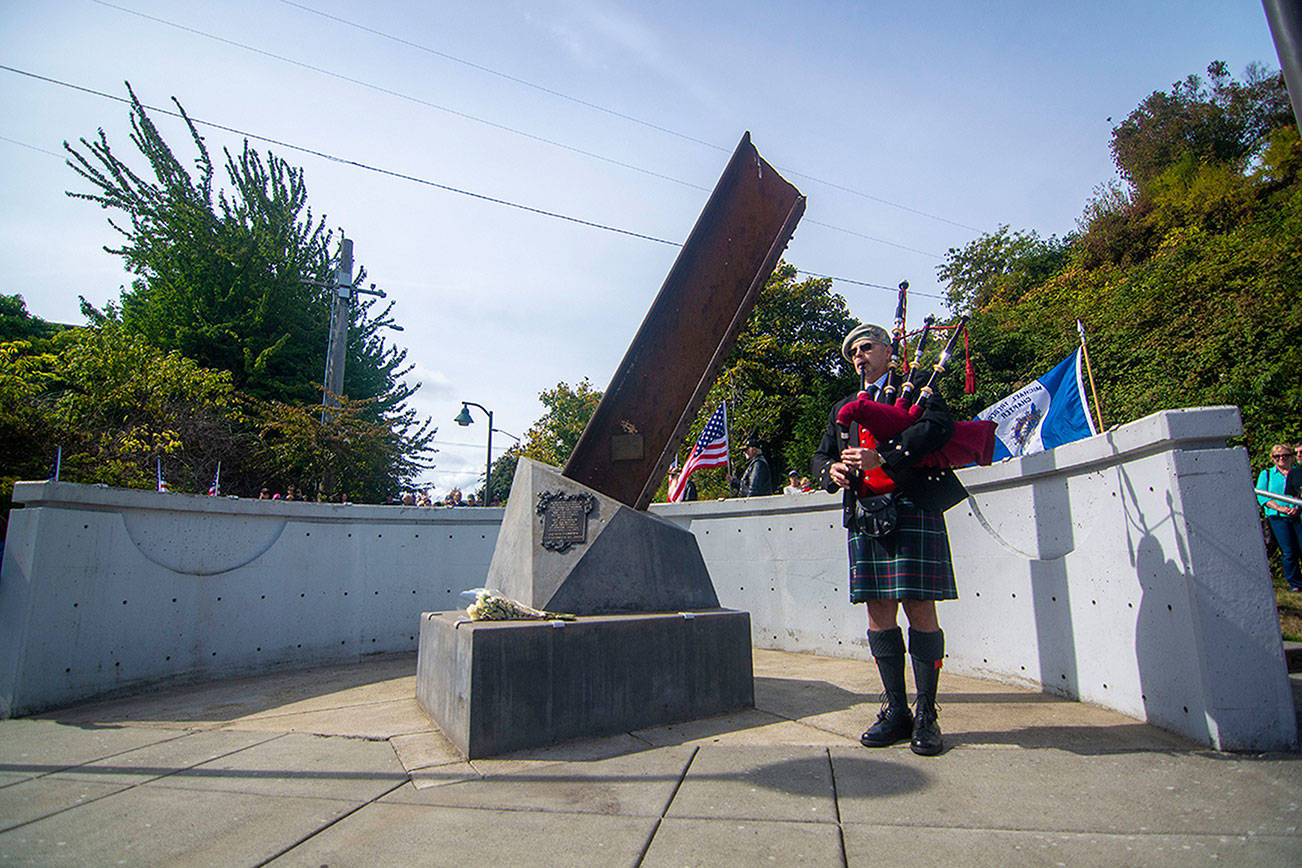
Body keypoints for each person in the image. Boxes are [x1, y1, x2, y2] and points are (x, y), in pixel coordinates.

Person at [811, 322, 968, 756]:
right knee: (879, 611)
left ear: (887, 350)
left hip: (911, 504)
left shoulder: (917, 386)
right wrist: (830, 472)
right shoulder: (844, 405)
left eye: (866, 347)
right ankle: (896, 710)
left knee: (920, 606)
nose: (859, 356)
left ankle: (927, 714)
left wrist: (889, 455)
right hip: (866, 512)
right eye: (853, 353)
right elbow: (819, 454)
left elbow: (939, 427)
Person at [1258, 443, 1302, 592]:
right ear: (1273, 459)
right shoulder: (1267, 474)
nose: (1281, 459)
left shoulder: (1298, 472)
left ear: (1291, 457)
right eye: (1277, 457)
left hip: (1298, 516)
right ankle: (1296, 583)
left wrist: (1297, 508)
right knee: (1289, 551)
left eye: (1285, 456)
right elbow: (1262, 496)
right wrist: (1280, 508)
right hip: (1278, 518)